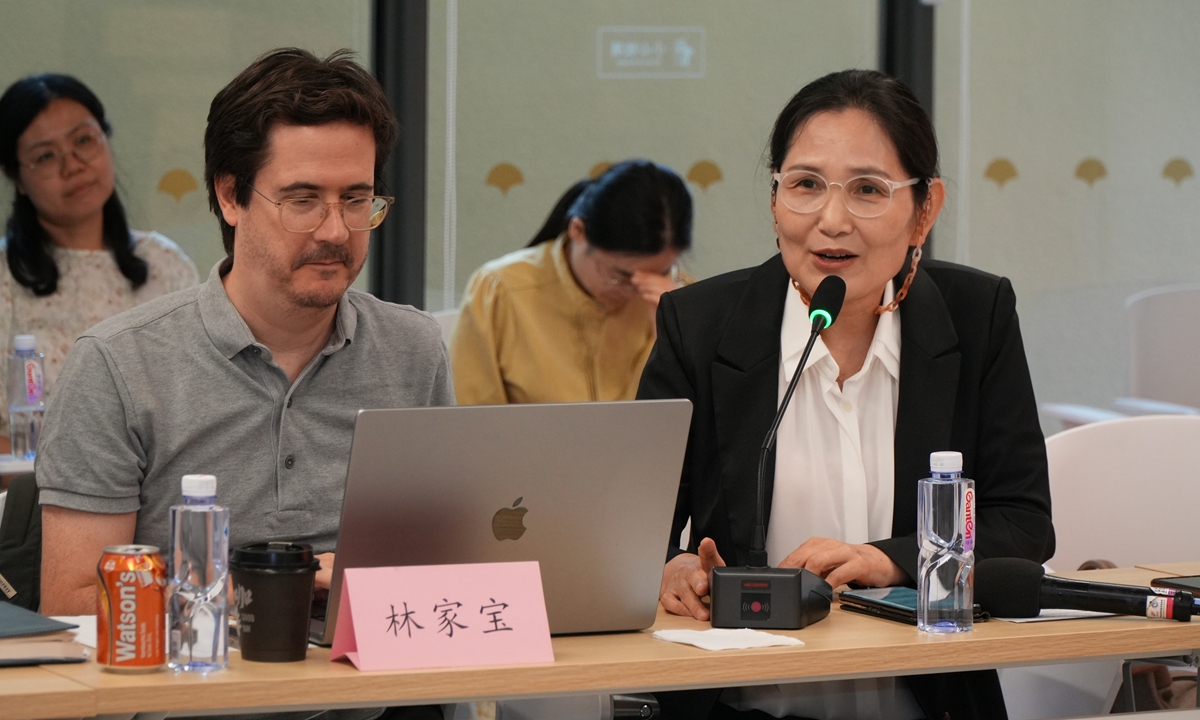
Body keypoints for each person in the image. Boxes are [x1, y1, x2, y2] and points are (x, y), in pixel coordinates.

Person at [639, 70, 1054, 720]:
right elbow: (629, 537)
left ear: (925, 208)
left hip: (929, 704)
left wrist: (886, 561)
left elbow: (1022, 526)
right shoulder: (699, 324)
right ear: (774, 200)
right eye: (805, 185)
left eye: (867, 190)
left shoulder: (978, 317)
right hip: (739, 703)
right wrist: (667, 570)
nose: (831, 222)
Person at [36, 49, 453, 619]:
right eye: (303, 200)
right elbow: (77, 601)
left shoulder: (413, 350)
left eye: (356, 200)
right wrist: (285, 587)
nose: (336, 231)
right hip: (190, 693)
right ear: (231, 196)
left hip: (371, 698)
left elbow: (442, 561)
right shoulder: (118, 366)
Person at [0, 74, 199, 453]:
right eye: (45, 156)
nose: (72, 165)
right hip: (33, 498)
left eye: (83, 140)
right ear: (17, 179)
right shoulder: (4, 278)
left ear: (106, 140)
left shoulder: (164, 264)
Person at [450, 160, 692, 404]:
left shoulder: (682, 300)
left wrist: (673, 339)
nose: (637, 291)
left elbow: (699, 425)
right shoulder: (500, 290)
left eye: (662, 272)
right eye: (622, 276)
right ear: (577, 230)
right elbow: (470, 421)